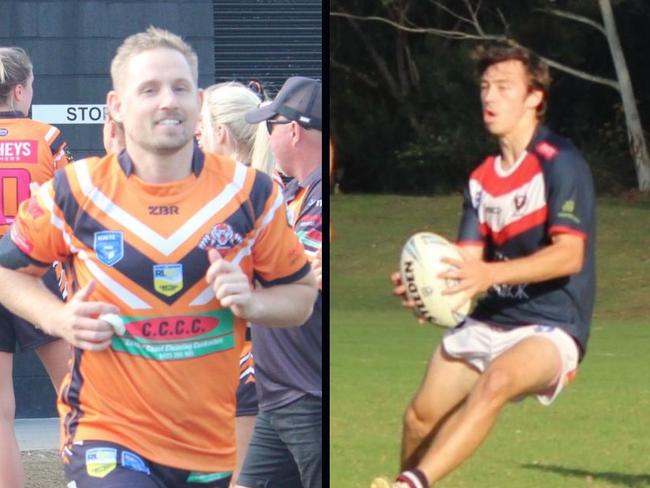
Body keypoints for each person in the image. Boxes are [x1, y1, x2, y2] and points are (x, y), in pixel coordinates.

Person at [0, 27, 317, 488]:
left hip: (207, 438)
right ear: (117, 106)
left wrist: (255, 305)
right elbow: (7, 272)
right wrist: (60, 318)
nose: (167, 100)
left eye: (180, 88)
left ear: (198, 101)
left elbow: (301, 296)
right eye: (148, 89)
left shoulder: (253, 193)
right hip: (108, 433)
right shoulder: (74, 191)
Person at [374, 43, 596, 488]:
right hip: (491, 318)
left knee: (495, 383)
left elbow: (569, 255)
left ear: (534, 97)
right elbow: (468, 265)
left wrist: (489, 275)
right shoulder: (482, 178)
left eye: (503, 87)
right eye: (484, 87)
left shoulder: (561, 162)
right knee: (420, 417)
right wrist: (428, 288)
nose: (489, 97)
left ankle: (409, 484)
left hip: (551, 325)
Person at [236, 76, 323, 488]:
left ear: (293, 130)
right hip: (279, 394)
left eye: (271, 126)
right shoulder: (290, 194)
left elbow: (296, 270)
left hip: (308, 395)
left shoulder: (321, 194)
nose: (266, 138)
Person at [195, 80, 276, 487]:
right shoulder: (270, 189)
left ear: (220, 134)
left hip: (241, 358)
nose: (197, 142)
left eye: (201, 132)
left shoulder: (237, 197)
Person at [0, 46, 71, 488]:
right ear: (21, 88)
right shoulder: (47, 137)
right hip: (34, 271)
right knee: (80, 392)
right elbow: (75, 207)